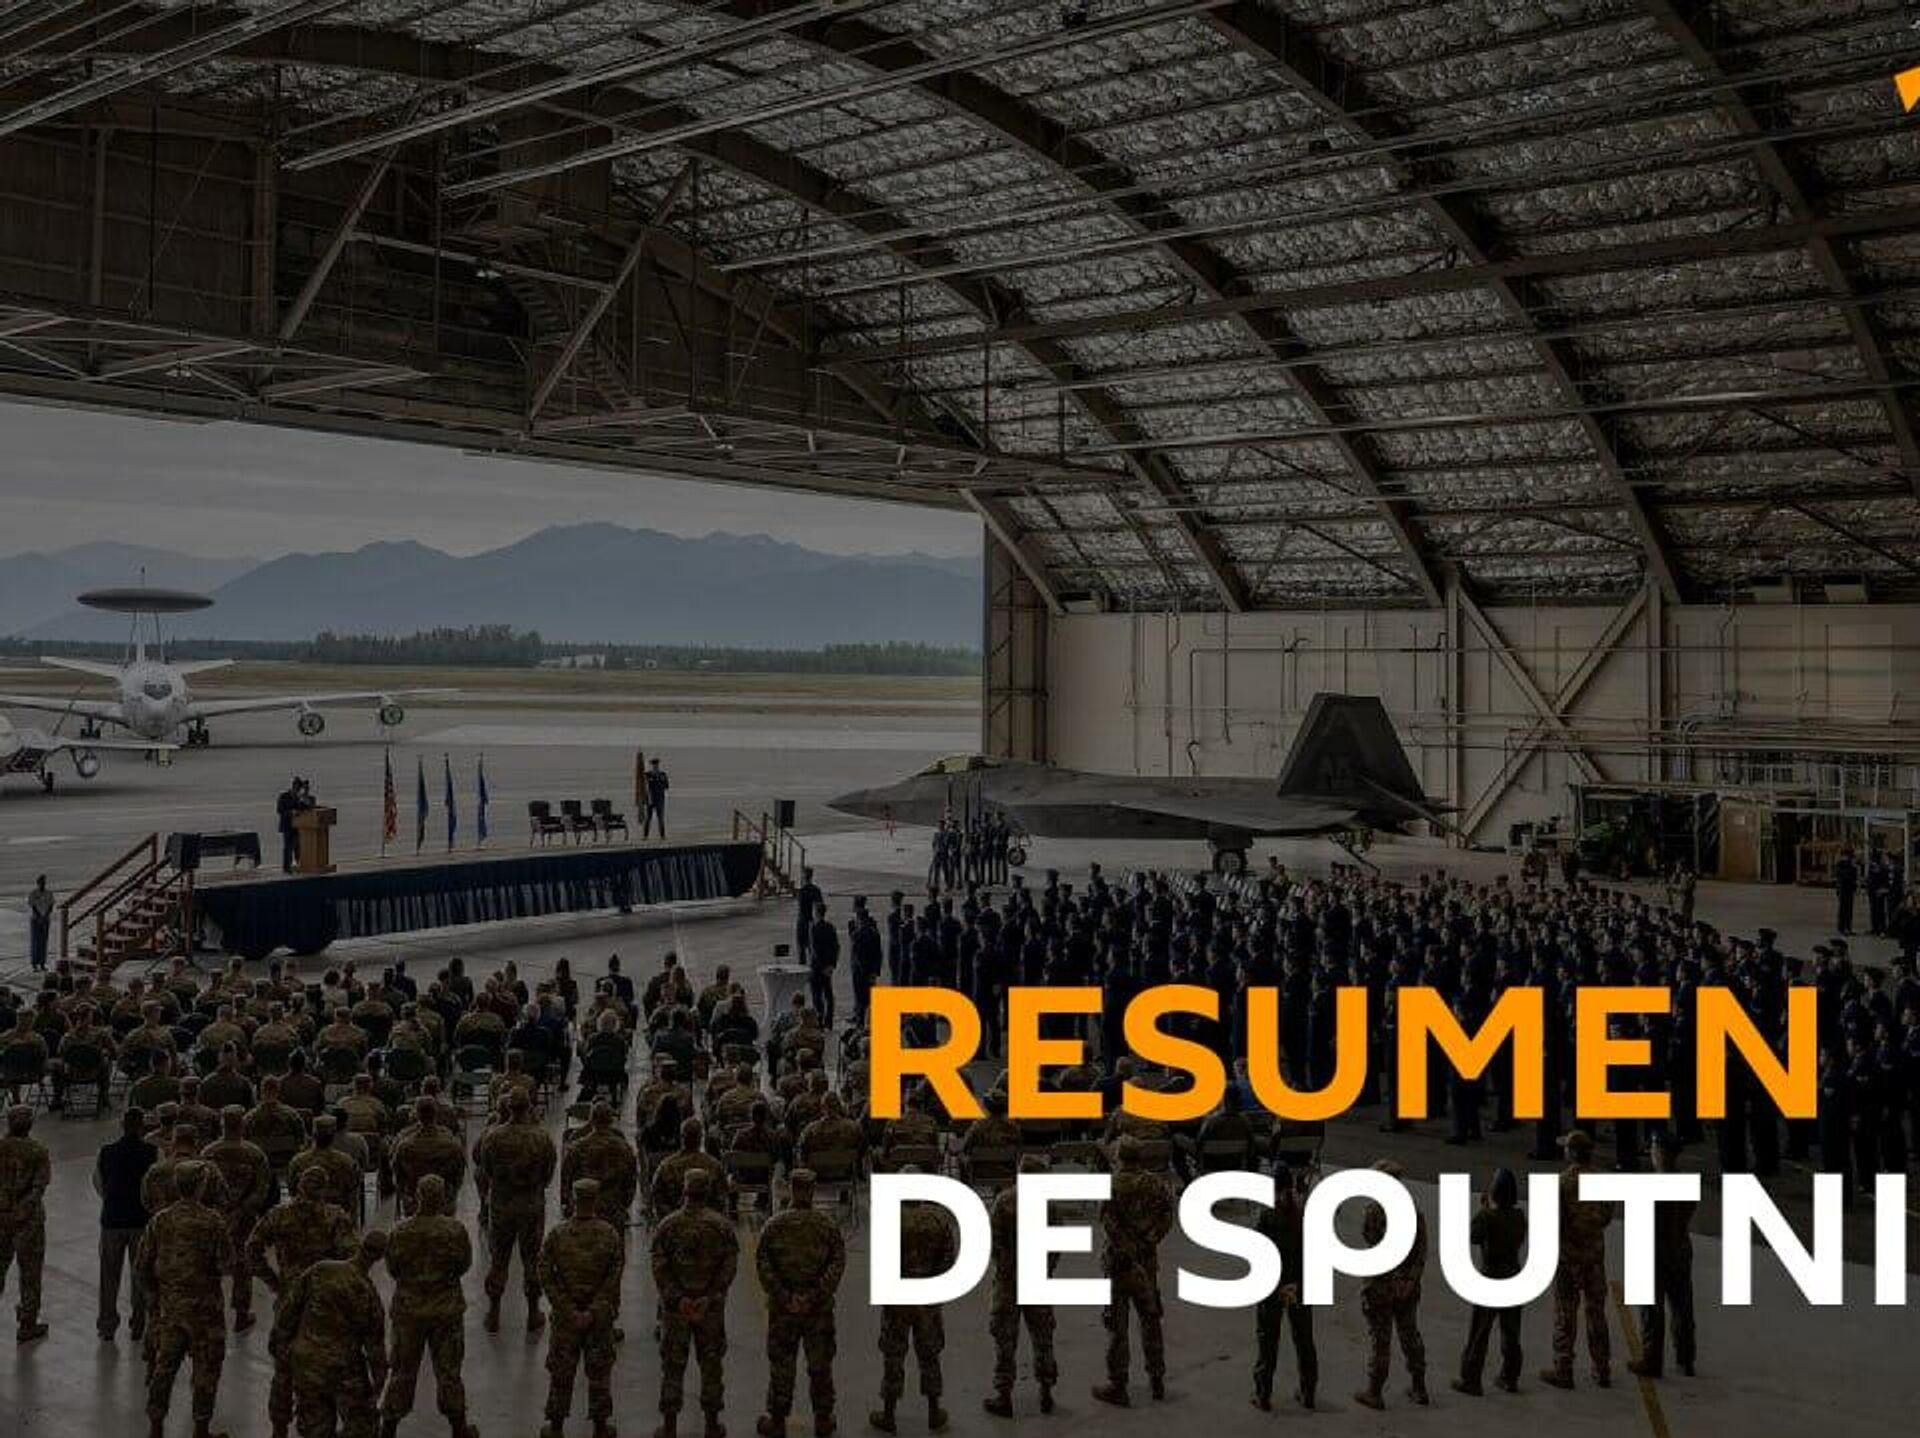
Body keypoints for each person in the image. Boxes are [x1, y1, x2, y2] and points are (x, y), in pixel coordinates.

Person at [136, 1161, 236, 1438]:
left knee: (164, 1368)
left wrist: (154, 1299)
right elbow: (227, 1265)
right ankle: (200, 1429)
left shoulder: (160, 1220)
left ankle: (156, 1427)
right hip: (205, 1312)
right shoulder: (213, 1221)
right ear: (201, 1186)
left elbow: (142, 1266)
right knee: (206, 1370)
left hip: (170, 1309)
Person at [381, 1174, 478, 1438]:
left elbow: (393, 1268)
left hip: (409, 1310)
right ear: (443, 1198)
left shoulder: (400, 1231)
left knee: (402, 1370)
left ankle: (389, 1428)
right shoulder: (455, 1230)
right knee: (449, 1371)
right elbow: (464, 1264)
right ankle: (459, 1428)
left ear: (418, 1196)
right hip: (445, 1310)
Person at [272, 1228, 389, 1438]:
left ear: (360, 1245)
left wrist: (282, 1347)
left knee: (315, 1428)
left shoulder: (321, 1269)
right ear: (380, 1257)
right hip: (342, 1369)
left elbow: (288, 1311)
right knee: (364, 1426)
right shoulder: (368, 1294)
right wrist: (378, 1384)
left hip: (307, 1364)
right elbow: (375, 1349)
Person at [756, 1167, 846, 1438]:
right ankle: (823, 1420)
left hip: (784, 1309)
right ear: (813, 1190)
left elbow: (763, 1265)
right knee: (820, 1364)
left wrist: (785, 1296)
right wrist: (816, 1295)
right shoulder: (827, 1226)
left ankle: (778, 1421)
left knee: (782, 1365)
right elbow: (837, 1263)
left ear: (791, 1189)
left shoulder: (774, 1225)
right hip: (818, 1309)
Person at [653, 1166, 739, 1438]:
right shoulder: (721, 1226)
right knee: (711, 1365)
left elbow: (659, 1267)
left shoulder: (668, 1225)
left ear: (685, 1190)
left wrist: (677, 1299)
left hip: (676, 1310)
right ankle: (712, 1424)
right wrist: (710, 1296)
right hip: (709, 1308)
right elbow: (729, 1266)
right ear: (708, 1192)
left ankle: (669, 1426)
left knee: (673, 1366)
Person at [871, 1167, 958, 1435]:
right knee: (929, 1353)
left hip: (898, 1295)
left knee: (894, 1354)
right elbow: (948, 1258)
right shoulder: (939, 1218)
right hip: (927, 1296)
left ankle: (889, 1413)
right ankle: (934, 1411)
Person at [1092, 1135, 1174, 1408]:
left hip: (1119, 1264)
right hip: (1146, 1263)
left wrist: (1126, 1248)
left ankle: (1118, 1384)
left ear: (1119, 1156)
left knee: (1117, 1325)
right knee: (1150, 1320)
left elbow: (1108, 1224)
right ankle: (1157, 1379)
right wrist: (1150, 1240)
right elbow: (1167, 1216)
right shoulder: (1156, 1183)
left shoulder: (1111, 1185)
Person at [540, 1178, 625, 1438]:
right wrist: (594, 1310)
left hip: (566, 1319)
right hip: (598, 1319)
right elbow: (613, 1277)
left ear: (573, 1199)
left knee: (561, 1372)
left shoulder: (558, 1234)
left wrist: (566, 1308)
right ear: (595, 1200)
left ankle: (556, 1427)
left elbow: (545, 1273)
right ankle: (600, 1427)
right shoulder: (610, 1234)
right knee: (599, 1371)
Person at [474, 1087, 557, 1333]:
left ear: (508, 1107)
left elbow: (485, 1171)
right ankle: (532, 1313)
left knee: (499, 1259)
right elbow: (548, 1174)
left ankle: (493, 1313)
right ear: (529, 1106)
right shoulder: (541, 1138)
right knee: (532, 1259)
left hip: (501, 1204)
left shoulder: (493, 1137)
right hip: (531, 1204)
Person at [1353, 1159, 1428, 1410]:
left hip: (1381, 1286)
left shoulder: (1374, 1211)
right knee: (1410, 1334)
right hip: (1407, 1286)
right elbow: (1421, 1252)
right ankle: (1419, 1386)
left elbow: (1370, 1239)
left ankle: (1375, 1391)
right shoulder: (1414, 1211)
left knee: (1381, 1339)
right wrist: (1409, 1280)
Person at [1541, 1129, 1613, 1390]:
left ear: (1572, 1153)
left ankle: (1564, 1369)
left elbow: (1555, 1222)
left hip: (1568, 1259)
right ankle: (1602, 1368)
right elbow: (1606, 1216)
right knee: (1596, 1313)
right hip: (1594, 1258)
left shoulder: (1562, 1183)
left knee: (1565, 1314)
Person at [986, 1156, 1057, 1417]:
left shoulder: (1003, 1201)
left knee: (1005, 1339)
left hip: (1009, 1280)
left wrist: (1006, 1268)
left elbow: (994, 1243)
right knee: (1043, 1337)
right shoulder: (1049, 1205)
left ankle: (1004, 1395)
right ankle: (1046, 1391)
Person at [1453, 1167, 1527, 1396]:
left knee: (1479, 1331)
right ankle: (1510, 1376)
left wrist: (1484, 1209)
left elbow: (1472, 1236)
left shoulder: (1487, 1217)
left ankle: (1471, 1378)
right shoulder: (1519, 1216)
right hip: (1514, 1276)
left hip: (1491, 1277)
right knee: (1511, 1332)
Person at [1629, 1132, 1697, 1379]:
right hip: (1681, 1249)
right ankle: (1686, 1358)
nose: (1651, 1153)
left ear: (1661, 1153)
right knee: (1682, 1307)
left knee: (1651, 1310)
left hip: (1655, 1252)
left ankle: (1652, 1360)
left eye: (1654, 1149)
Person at [1251, 1158, 1315, 1411]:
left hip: (1274, 1286)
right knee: (1304, 1339)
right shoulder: (1304, 1212)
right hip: (1301, 1284)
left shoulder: (1266, 1215)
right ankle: (1308, 1391)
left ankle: (1263, 1394)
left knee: (1268, 1340)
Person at [199, 1105, 270, 1333]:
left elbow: (201, 1190)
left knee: (209, 1264)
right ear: (243, 1125)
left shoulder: (208, 1153)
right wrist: (242, 1210)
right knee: (242, 1264)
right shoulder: (255, 1154)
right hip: (244, 1219)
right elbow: (262, 1189)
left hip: (214, 1218)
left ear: (222, 1125)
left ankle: (209, 1313)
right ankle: (241, 1314)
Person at [96, 1106, 159, 1343]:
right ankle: (138, 1323)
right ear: (142, 1126)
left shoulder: (106, 1152)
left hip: (112, 1220)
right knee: (140, 1273)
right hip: (140, 1221)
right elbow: (155, 1186)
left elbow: (99, 1183)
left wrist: (112, 1200)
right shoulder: (152, 1152)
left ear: (122, 1126)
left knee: (109, 1275)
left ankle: (107, 1325)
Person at [0, 1102, 51, 1343]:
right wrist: (22, 1211)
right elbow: (39, 1187)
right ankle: (27, 1324)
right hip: (28, 1220)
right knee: (30, 1272)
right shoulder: (38, 1151)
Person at [26, 875, 53, 973]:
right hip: (35, 919)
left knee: (43, 942)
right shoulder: (33, 893)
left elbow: (51, 905)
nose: (42, 884)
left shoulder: (49, 893)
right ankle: (34, 964)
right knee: (35, 942)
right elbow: (33, 906)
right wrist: (39, 917)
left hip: (45, 919)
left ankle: (42, 963)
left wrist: (45, 916)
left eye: (44, 882)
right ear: (38, 883)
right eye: (41, 882)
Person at [644, 757, 671, 838]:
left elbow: (667, 786)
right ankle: (646, 835)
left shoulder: (663, 774)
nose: (655, 766)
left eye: (656, 764)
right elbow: (643, 786)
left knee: (661, 818)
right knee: (648, 818)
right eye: (654, 765)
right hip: (650, 798)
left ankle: (662, 835)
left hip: (660, 799)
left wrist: (661, 782)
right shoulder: (647, 775)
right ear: (652, 765)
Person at [1834, 846, 1859, 935]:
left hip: (1849, 888)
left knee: (1849, 909)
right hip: (1843, 888)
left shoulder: (1851, 864)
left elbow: (1854, 876)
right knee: (1843, 909)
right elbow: (1843, 876)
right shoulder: (1841, 864)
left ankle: (1848, 927)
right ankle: (1842, 928)